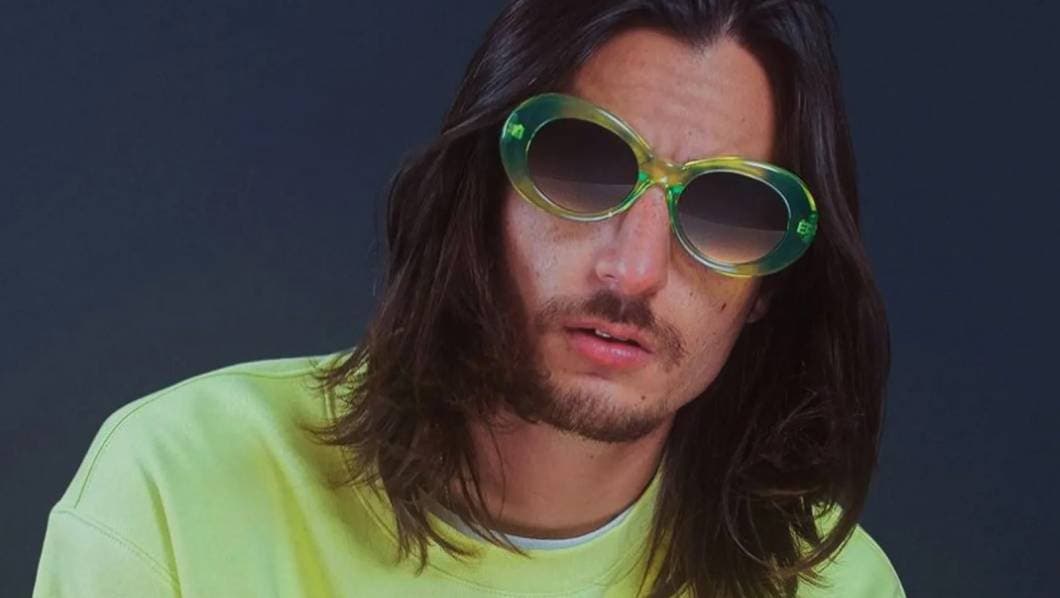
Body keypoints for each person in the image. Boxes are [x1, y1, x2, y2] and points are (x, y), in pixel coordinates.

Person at [33, 1, 905, 596]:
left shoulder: (830, 585)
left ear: (769, 286)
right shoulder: (179, 488)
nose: (634, 270)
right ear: (480, 194)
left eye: (725, 212)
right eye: (583, 165)